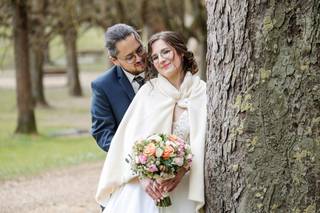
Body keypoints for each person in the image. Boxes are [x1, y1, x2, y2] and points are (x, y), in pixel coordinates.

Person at [96, 31, 207, 213]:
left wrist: (181, 171)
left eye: (166, 52)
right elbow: (129, 141)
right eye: (155, 56)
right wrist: (143, 176)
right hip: (145, 187)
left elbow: (203, 143)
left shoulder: (202, 92)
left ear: (180, 52)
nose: (161, 59)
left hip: (185, 184)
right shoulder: (148, 92)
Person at [90, 24, 146, 152]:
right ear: (115, 60)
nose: (139, 58)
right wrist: (132, 154)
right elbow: (102, 132)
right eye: (130, 57)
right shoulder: (103, 86)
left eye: (139, 50)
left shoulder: (161, 70)